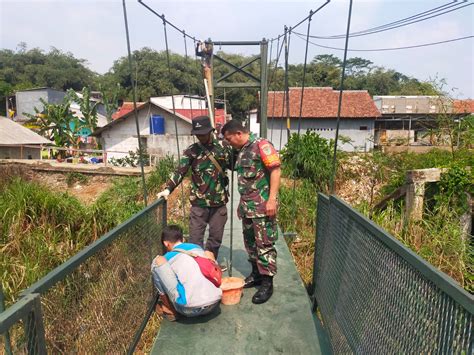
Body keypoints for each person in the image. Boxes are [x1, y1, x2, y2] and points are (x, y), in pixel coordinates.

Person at [221, 120, 281, 304]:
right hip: (248, 207)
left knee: (264, 244)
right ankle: (256, 274)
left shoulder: (262, 145)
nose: (229, 143)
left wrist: (272, 199)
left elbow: (276, 171)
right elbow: (246, 183)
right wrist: (241, 204)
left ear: (239, 133)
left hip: (263, 207)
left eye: (229, 139)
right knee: (251, 244)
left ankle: (267, 283)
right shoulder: (242, 150)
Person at [156, 115, 230, 259]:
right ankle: (196, 266)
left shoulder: (223, 148)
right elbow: (180, 171)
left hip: (218, 203)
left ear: (210, 131)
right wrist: (168, 189)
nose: (200, 137)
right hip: (199, 204)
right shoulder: (192, 151)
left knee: (215, 239)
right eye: (198, 135)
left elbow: (236, 165)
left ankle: (210, 265)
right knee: (195, 239)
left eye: (203, 134)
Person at [151, 225, 222, 320]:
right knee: (208, 254)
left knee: (157, 262)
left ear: (166, 243)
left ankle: (169, 308)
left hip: (189, 309)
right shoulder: (197, 248)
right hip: (214, 303)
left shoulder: (167, 258)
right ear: (182, 239)